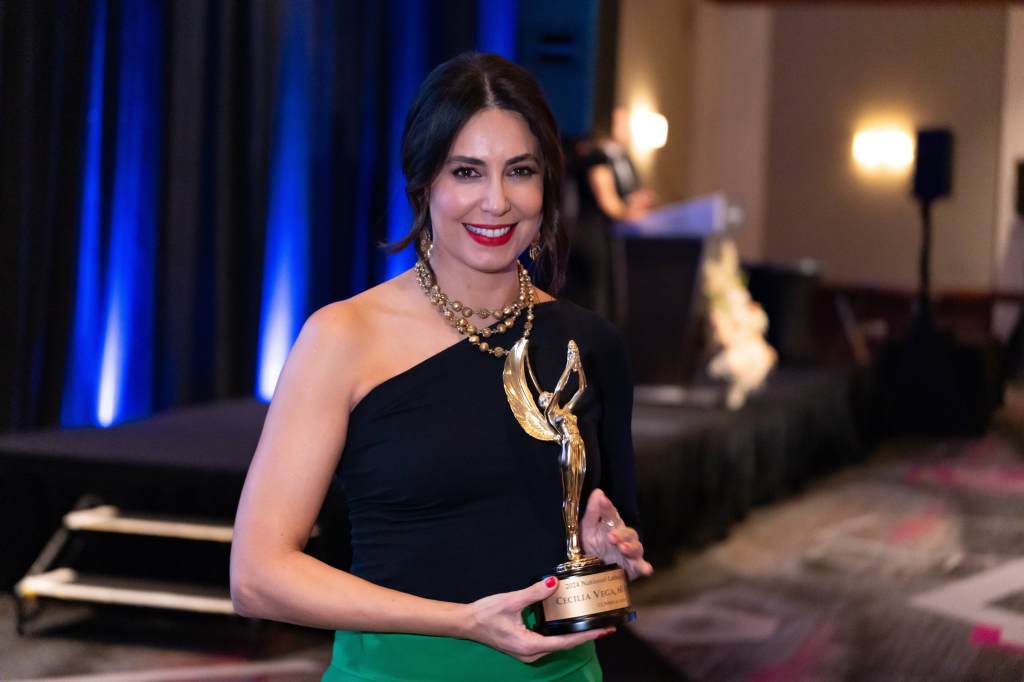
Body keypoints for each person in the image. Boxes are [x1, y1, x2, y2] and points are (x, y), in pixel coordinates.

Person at [230, 52, 652, 682]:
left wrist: (606, 550)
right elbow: (257, 578)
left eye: (520, 171)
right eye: (467, 171)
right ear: (423, 182)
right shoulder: (343, 338)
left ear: (547, 186)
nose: (496, 201)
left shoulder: (591, 345)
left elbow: (605, 541)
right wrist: (461, 621)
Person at [564, 107, 657, 322]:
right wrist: (628, 212)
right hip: (592, 233)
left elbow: (622, 196)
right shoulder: (595, 156)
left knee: (607, 293)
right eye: (621, 122)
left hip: (611, 234)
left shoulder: (624, 157)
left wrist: (636, 202)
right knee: (596, 294)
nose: (626, 128)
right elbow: (606, 199)